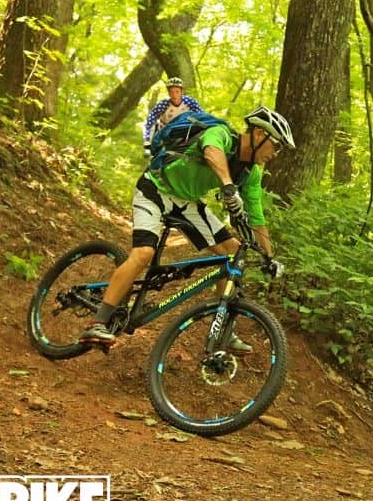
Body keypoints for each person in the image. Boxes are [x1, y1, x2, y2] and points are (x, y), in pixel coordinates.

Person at [80, 106, 296, 352]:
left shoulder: (251, 173)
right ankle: (98, 321)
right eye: (276, 145)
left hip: (187, 202)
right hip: (155, 189)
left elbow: (257, 219)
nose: (276, 153)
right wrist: (227, 186)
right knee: (143, 254)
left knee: (232, 252)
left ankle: (223, 329)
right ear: (259, 134)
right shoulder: (222, 135)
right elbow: (211, 150)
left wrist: (269, 256)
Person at [143, 77, 203, 151]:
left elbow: (201, 116)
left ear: (181, 92)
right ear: (168, 93)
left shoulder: (190, 102)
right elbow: (150, 121)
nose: (174, 95)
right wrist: (147, 139)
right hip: (166, 135)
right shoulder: (163, 104)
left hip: (185, 133)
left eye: (177, 92)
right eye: (171, 92)